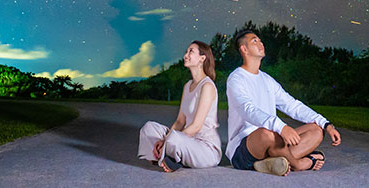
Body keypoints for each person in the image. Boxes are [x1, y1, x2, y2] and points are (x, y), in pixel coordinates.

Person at [226, 29, 341, 176]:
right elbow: (247, 110)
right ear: (244, 49)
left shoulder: (267, 80)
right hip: (245, 148)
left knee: (316, 130)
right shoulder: (236, 79)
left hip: (275, 138)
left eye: (260, 40)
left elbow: (292, 105)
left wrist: (326, 124)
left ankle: (273, 162)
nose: (261, 43)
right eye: (254, 41)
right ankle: (299, 163)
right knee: (268, 134)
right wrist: (280, 127)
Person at [138, 40, 221, 172]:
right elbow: (180, 121)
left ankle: (169, 155)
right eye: (186, 52)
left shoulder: (207, 86)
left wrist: (166, 141)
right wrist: (165, 139)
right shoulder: (187, 86)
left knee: (174, 138)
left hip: (205, 148)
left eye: (191, 52)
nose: (185, 55)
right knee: (149, 128)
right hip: (185, 139)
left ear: (202, 58)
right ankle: (169, 157)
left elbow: (196, 126)